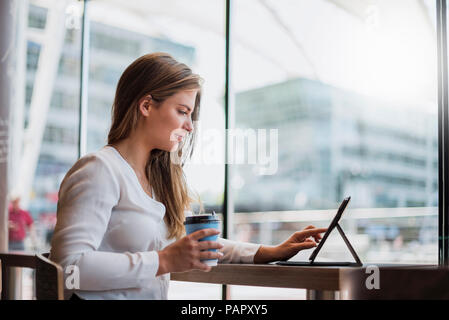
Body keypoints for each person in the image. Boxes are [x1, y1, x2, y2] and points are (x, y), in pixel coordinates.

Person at [49, 52, 327, 300]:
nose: (189, 126)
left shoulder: (154, 181)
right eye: (182, 111)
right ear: (146, 106)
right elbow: (69, 268)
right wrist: (164, 261)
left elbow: (185, 244)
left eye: (191, 115)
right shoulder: (99, 169)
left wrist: (270, 251)